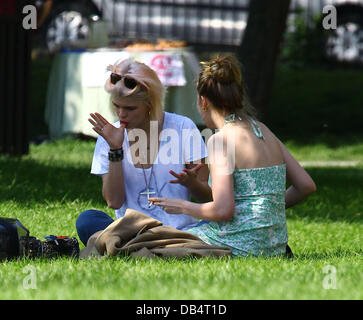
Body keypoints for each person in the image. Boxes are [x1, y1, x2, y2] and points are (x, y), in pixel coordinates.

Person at [149, 55, 317, 257]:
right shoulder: (262, 129)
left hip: (238, 245)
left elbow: (222, 211)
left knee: (152, 241)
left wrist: (182, 206)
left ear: (203, 101)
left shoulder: (221, 140)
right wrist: (266, 208)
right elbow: (306, 186)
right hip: (274, 247)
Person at [76, 58, 212, 246]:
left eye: (130, 108)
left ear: (150, 104)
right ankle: (146, 245)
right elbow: (114, 202)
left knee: (218, 221)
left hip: (181, 231)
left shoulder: (183, 127)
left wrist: (192, 183)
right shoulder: (109, 135)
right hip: (131, 230)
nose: (121, 114)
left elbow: (208, 197)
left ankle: (134, 247)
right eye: (117, 106)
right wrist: (115, 149)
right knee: (87, 219)